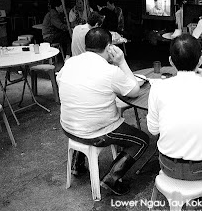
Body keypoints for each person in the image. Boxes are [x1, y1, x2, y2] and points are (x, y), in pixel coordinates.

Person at [57, 27, 149, 195]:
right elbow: (134, 91)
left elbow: (61, 81)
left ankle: (78, 163)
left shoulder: (70, 63)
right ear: (109, 47)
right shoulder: (110, 71)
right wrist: (121, 62)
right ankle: (112, 178)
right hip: (96, 132)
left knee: (84, 110)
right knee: (142, 140)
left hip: (68, 127)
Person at [146, 33, 202, 180]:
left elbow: (153, 130)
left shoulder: (157, 88)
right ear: (200, 61)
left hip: (168, 166)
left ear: (171, 61)